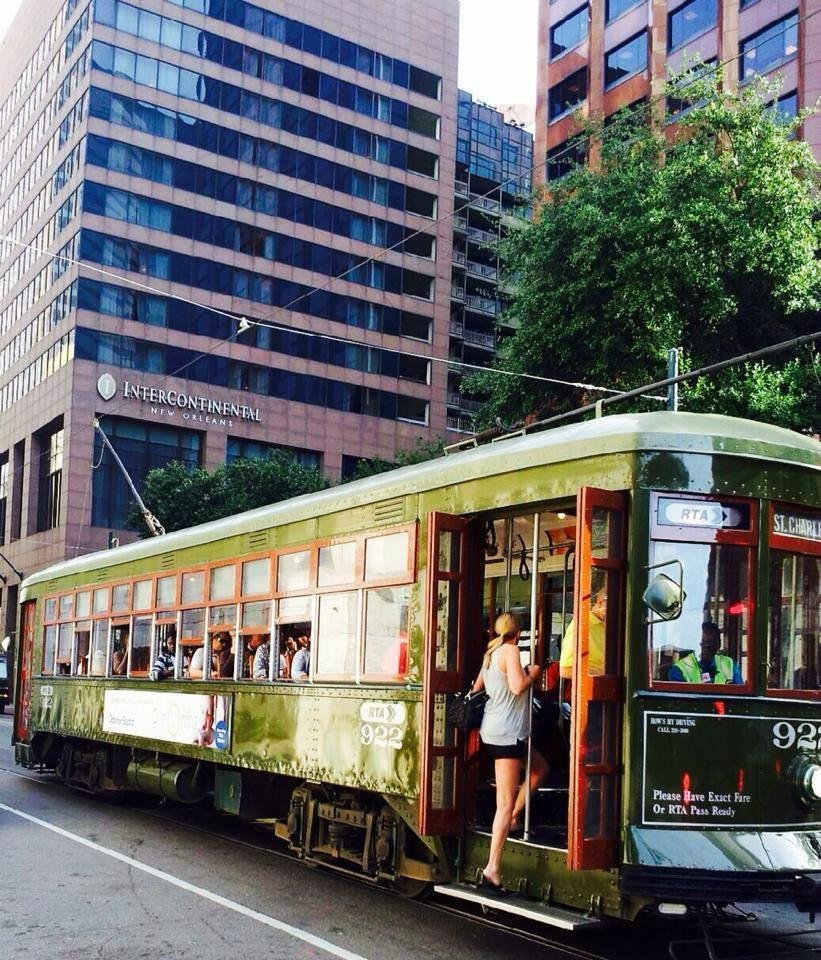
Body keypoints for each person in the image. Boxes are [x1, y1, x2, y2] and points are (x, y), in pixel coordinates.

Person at [471, 611, 546, 894]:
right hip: (508, 733)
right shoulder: (511, 650)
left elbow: (477, 687)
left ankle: (514, 815)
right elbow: (517, 687)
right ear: (518, 632)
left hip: (493, 729)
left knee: (540, 767)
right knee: (503, 803)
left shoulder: (490, 654)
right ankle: (492, 868)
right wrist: (533, 674)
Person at [668, 622, 742, 684]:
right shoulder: (680, 669)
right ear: (695, 645)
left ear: (718, 645)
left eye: (711, 643)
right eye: (703, 643)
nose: (706, 647)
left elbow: (740, 695)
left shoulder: (729, 664)